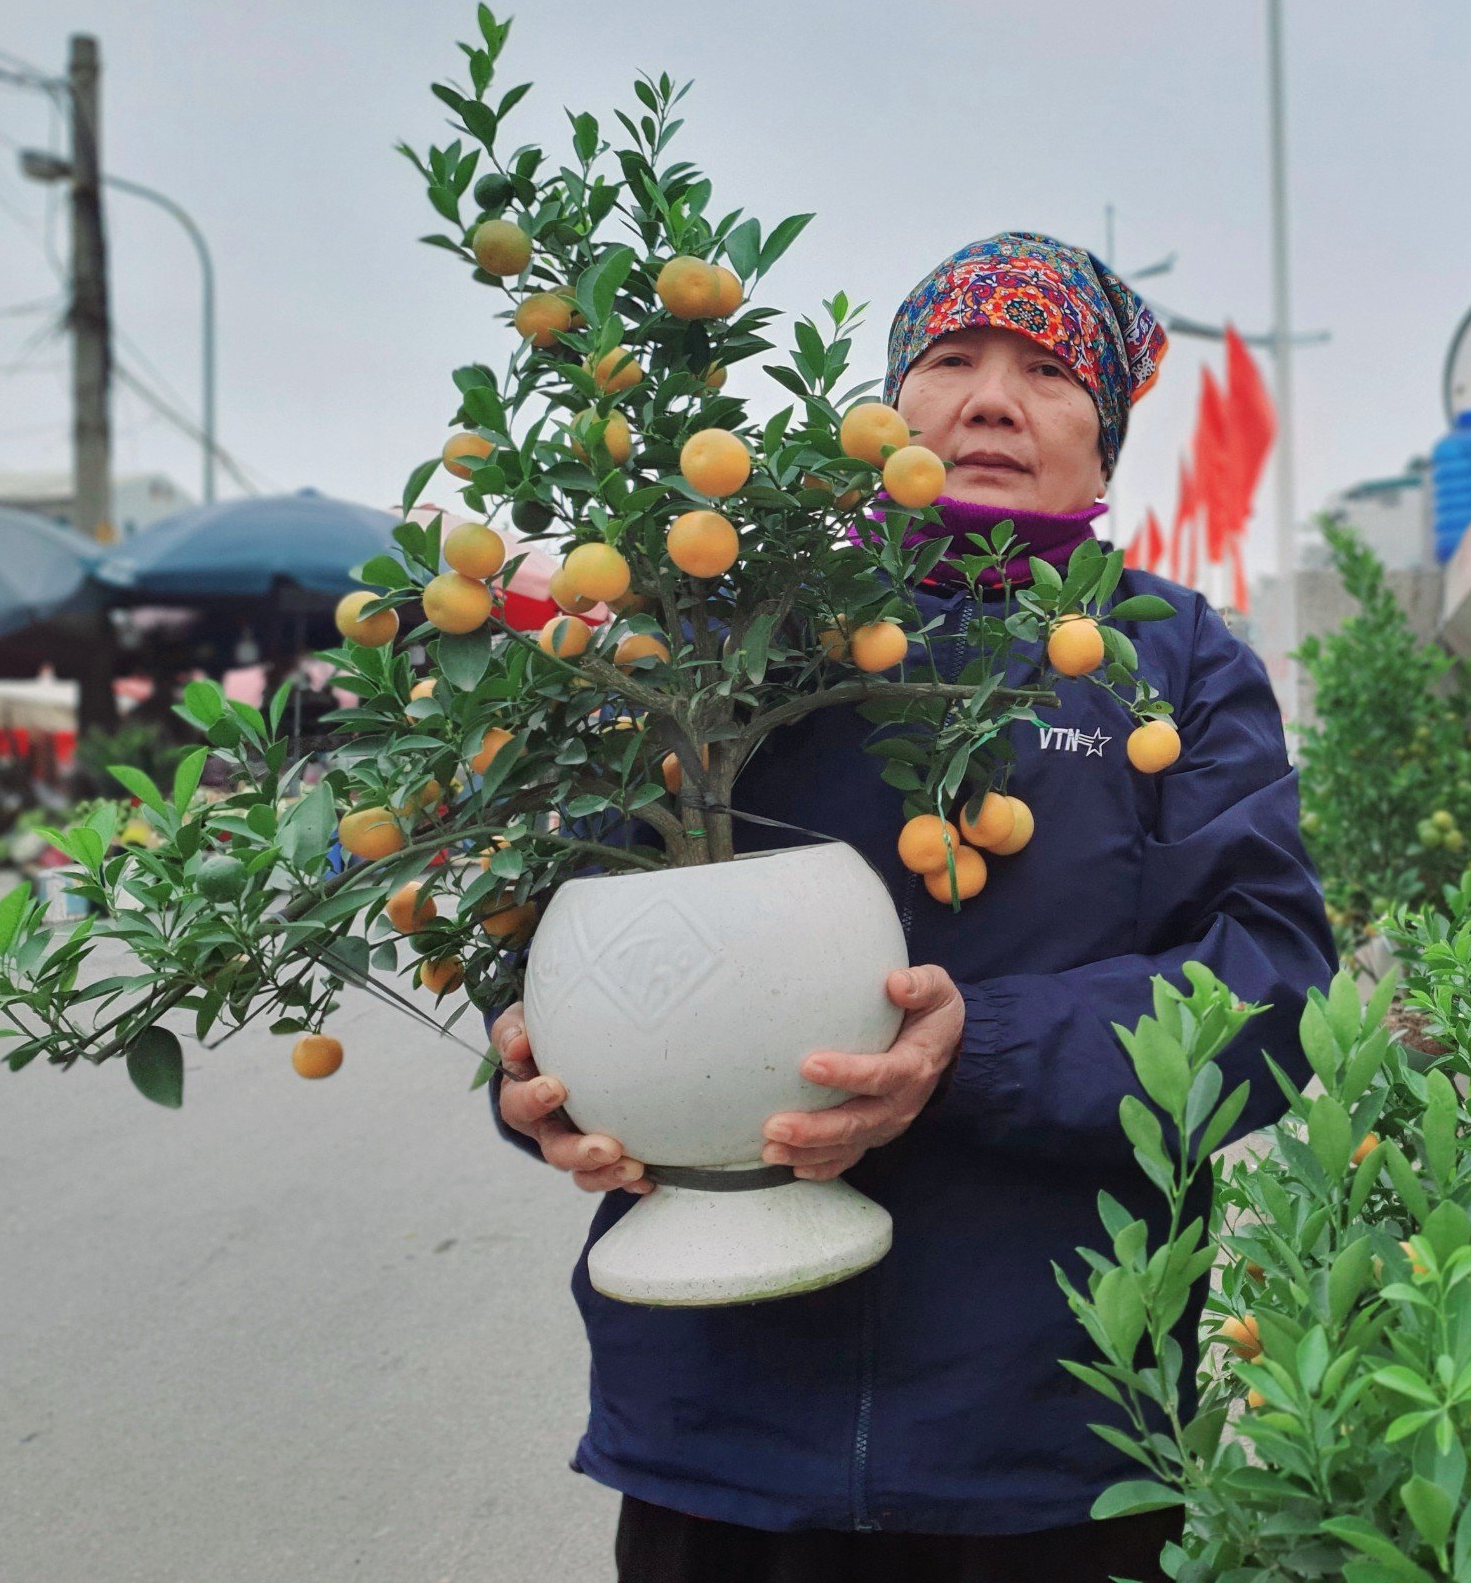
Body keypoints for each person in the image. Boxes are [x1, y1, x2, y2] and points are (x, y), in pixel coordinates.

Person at [486, 231, 1332, 1583]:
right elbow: (569, 930)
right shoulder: (730, 636)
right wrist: (535, 1082)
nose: (992, 398)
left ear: (1104, 442)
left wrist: (972, 1052)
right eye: (952, 359)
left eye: (1048, 371)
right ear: (887, 413)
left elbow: (1272, 987)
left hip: (1049, 1432)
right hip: (724, 1420)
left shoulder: (1172, 669)